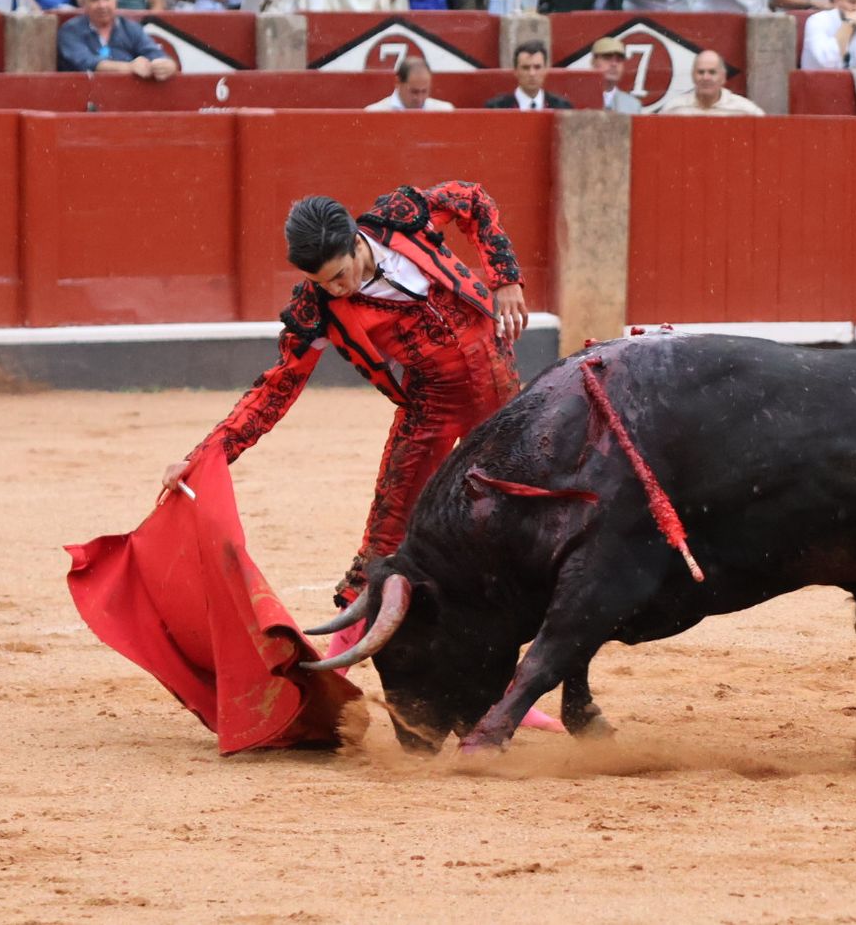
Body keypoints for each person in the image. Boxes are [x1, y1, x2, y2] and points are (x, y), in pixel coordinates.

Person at [157, 184, 546, 698]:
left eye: (341, 274)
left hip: (502, 400)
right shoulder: (316, 306)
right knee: (385, 542)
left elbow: (473, 200)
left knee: (525, 529)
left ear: (357, 242)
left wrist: (505, 279)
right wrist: (205, 455)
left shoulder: (402, 217)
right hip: (429, 408)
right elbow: (276, 387)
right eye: (324, 283)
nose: (337, 290)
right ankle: (329, 678)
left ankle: (513, 688)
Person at [58, 0, 180, 76]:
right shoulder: (70, 31)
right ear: (83, 2)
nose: (102, 5)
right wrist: (129, 67)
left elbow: (157, 54)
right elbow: (86, 62)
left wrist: (167, 66)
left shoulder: (130, 28)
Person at [659, 47, 765, 113]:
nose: (706, 78)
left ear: (723, 77)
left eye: (712, 72)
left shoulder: (745, 110)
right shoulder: (673, 109)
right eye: (701, 72)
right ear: (693, 76)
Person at [484, 38, 573, 106]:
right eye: (525, 68)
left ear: (546, 70)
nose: (532, 73)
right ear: (515, 71)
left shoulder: (562, 106)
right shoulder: (496, 107)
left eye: (537, 67)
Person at [367, 55, 456, 107]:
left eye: (424, 91)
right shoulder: (372, 113)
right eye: (414, 92)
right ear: (398, 83)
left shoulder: (445, 111)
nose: (420, 99)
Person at [590, 35, 642, 110]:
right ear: (594, 62)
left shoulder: (633, 105)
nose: (614, 64)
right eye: (607, 57)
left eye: (619, 59)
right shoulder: (577, 100)